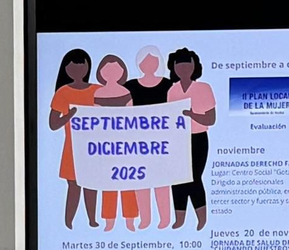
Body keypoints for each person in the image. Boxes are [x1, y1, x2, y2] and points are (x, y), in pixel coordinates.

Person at [165, 46, 216, 229]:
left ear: (195, 66)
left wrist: (192, 114)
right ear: (174, 68)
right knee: (177, 178)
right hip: (178, 140)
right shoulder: (172, 90)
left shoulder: (203, 88)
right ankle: (179, 219)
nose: (183, 69)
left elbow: (211, 118)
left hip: (198, 138)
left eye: (187, 65)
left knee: (194, 178)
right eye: (180, 65)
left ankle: (201, 219)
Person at [124, 45, 174, 228]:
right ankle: (145, 219)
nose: (149, 64)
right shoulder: (130, 86)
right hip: (138, 145)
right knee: (142, 183)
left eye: (153, 60)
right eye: (145, 61)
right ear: (139, 63)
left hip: (163, 145)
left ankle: (165, 219)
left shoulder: (169, 85)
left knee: (163, 183)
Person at [49, 47, 98, 228]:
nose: (78, 71)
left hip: (95, 149)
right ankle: (68, 222)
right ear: (66, 69)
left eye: (81, 66)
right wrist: (70, 115)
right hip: (72, 149)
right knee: (74, 187)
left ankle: (92, 220)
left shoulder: (97, 90)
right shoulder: (63, 92)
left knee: (91, 186)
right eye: (73, 67)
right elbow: (53, 124)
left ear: (87, 67)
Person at [92, 54, 140, 231]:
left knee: (128, 183)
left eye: (115, 68)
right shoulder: (98, 93)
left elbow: (131, 117)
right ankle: (109, 220)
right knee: (108, 183)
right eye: (107, 68)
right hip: (106, 147)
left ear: (122, 71)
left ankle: (130, 220)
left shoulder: (126, 92)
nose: (111, 72)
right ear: (101, 72)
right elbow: (96, 119)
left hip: (126, 146)